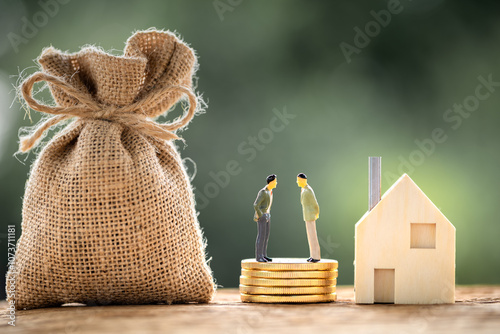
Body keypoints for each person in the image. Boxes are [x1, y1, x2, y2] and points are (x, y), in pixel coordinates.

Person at [296, 173, 321, 262]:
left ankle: (316, 256)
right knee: (310, 236)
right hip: (307, 216)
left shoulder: (308, 190)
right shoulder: (303, 189)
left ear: (303, 180)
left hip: (310, 216)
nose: (297, 182)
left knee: (313, 236)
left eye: (298, 180)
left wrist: (316, 213)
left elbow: (315, 203)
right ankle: (313, 255)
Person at [253, 174, 277, 262]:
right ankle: (259, 256)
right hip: (263, 216)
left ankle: (263, 255)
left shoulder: (270, 192)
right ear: (271, 182)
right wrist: (261, 214)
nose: (276, 183)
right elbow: (256, 205)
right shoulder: (263, 192)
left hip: (267, 215)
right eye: (275, 182)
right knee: (261, 236)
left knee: (266, 236)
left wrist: (268, 214)